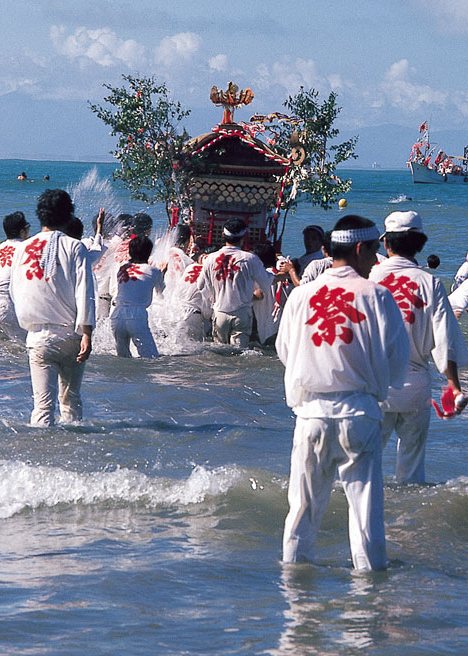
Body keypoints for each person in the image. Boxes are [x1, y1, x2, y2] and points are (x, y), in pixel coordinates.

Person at [276, 214, 409, 570]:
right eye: (374, 250)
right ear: (361, 248)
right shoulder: (378, 295)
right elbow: (399, 363)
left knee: (301, 513)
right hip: (359, 415)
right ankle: (368, 603)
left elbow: (285, 352)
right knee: (366, 518)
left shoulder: (302, 295)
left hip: (311, 416)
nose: (376, 258)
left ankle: (296, 603)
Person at [368, 211, 468, 483]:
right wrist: (453, 385)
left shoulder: (369, 279)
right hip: (416, 389)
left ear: (386, 244)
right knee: (412, 473)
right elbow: (445, 338)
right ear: (420, 244)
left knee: (364, 469)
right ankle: (409, 520)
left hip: (375, 388)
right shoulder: (431, 283)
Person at [8, 189, 95, 425]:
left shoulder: (22, 248)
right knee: (71, 401)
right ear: (68, 215)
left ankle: (39, 455)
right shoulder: (76, 247)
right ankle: (73, 453)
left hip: (38, 338)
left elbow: (15, 292)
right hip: (71, 336)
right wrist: (87, 332)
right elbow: (85, 292)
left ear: (40, 216)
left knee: (42, 408)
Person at [199, 218, 274, 347]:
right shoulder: (250, 258)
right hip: (242, 313)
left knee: (219, 352)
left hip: (220, 313)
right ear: (243, 236)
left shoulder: (210, 259)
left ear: (223, 235)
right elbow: (266, 282)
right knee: (240, 354)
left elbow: (200, 286)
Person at [109, 234, 165, 357]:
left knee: (122, 357)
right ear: (149, 252)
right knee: (151, 357)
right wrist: (162, 273)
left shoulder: (122, 268)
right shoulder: (154, 270)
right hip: (136, 316)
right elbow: (161, 292)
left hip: (116, 315)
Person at [0, 212, 30, 341]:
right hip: (6, 307)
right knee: (24, 349)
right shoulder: (24, 247)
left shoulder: (1, 246)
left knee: (0, 351)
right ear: (23, 231)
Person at [161, 224, 209, 342]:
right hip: (174, 309)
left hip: (153, 308)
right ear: (188, 240)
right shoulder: (187, 262)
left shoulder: (159, 254)